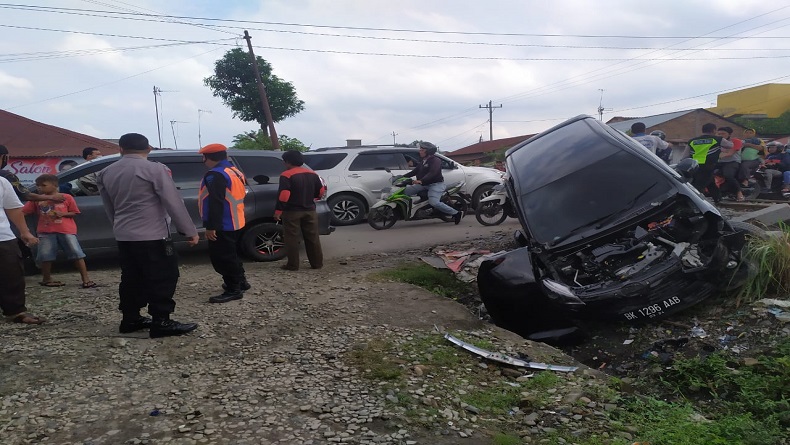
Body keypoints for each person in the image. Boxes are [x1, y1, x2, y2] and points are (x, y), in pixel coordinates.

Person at [97, 133, 199, 338]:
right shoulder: (155, 169)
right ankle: (161, 321)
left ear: (121, 149)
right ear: (149, 149)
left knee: (131, 277)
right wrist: (189, 230)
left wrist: (119, 227)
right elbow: (172, 201)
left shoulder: (105, 172)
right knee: (163, 276)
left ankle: (130, 318)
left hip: (125, 235)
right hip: (153, 235)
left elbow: (109, 207)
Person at [22, 174, 97, 288]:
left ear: (55, 185)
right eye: (38, 186)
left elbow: (74, 212)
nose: (40, 188)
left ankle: (86, 279)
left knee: (76, 254)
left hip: (66, 230)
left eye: (43, 185)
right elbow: (24, 212)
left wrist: (63, 214)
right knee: (45, 256)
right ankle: (46, 279)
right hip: (45, 232)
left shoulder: (66, 197)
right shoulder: (37, 200)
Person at [198, 143, 249, 303]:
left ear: (206, 157)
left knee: (223, 257)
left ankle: (233, 289)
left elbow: (216, 201)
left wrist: (211, 226)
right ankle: (241, 281)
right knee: (232, 253)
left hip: (223, 223)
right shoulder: (234, 170)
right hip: (237, 219)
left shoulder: (216, 174)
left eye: (203, 157)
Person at [0, 176, 44, 324]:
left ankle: (15, 312)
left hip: (3, 236)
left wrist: (25, 232)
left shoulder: (2, 182)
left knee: (12, 274)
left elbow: (13, 208)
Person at [275, 150, 325, 271]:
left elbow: (284, 194)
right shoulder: (313, 174)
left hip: (292, 211)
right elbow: (321, 191)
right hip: (310, 210)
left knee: (291, 238)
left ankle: (292, 265)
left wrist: (278, 211)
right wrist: (312, 198)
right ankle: (317, 264)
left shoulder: (286, 175)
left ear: (287, 161)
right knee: (313, 237)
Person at [403, 141, 463, 224]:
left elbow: (433, 173)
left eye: (422, 149)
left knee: (434, 202)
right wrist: (401, 177)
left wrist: (421, 180)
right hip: (423, 184)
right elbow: (414, 172)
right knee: (405, 192)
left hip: (435, 185)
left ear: (428, 151)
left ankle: (456, 213)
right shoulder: (423, 161)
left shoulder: (436, 160)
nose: (419, 151)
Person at [688, 123, 733, 203]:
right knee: (700, 184)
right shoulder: (717, 139)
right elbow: (730, 145)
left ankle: (718, 198)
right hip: (708, 164)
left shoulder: (692, 140)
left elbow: (685, 155)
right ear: (714, 130)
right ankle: (693, 201)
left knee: (710, 182)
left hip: (694, 165)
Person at [714, 126, 744, 202]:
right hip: (719, 162)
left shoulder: (736, 141)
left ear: (729, 134)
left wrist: (718, 155)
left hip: (732, 162)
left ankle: (739, 193)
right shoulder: (716, 142)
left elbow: (731, 153)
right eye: (719, 133)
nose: (721, 135)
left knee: (728, 175)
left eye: (723, 133)